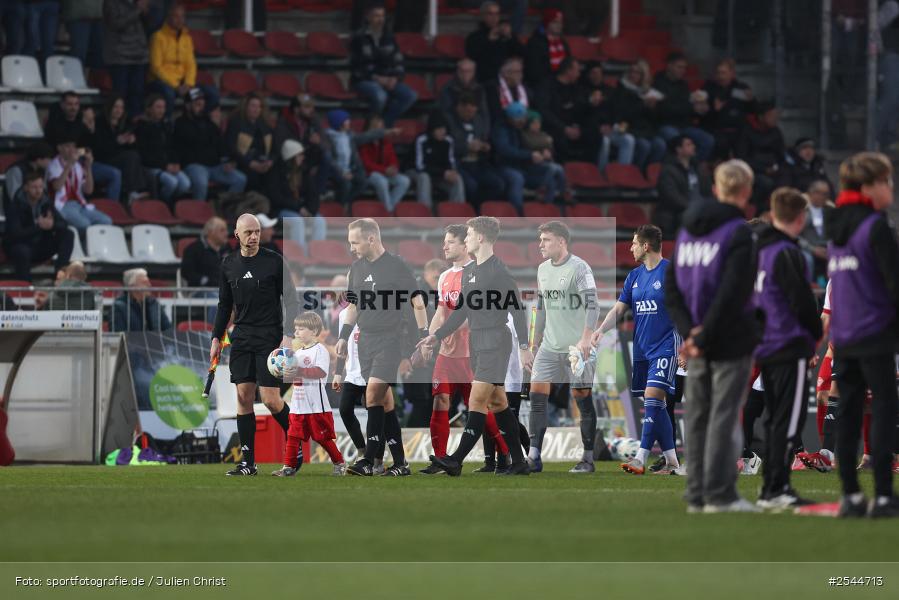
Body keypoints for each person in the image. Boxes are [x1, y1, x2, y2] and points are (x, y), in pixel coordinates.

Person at [665, 159, 762, 513]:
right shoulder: (740, 233)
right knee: (723, 416)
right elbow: (733, 291)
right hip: (729, 338)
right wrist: (703, 335)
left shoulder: (688, 231)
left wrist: (689, 333)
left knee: (698, 416)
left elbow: (672, 287)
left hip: (695, 340)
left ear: (716, 188)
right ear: (746, 191)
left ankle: (696, 495)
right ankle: (721, 495)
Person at [418, 216, 532, 476]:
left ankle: (455, 459)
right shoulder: (470, 272)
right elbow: (461, 311)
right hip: (476, 342)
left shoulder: (499, 271)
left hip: (495, 341)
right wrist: (436, 336)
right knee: (498, 403)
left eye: (468, 235)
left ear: (480, 238)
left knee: (478, 399)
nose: (466, 239)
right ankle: (519, 462)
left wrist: (524, 346)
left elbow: (517, 309)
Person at [826, 152, 899, 517]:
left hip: (846, 336)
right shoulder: (875, 226)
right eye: (886, 181)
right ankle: (884, 495)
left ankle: (850, 496)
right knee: (884, 408)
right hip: (874, 332)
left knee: (850, 412)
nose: (891, 187)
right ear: (870, 187)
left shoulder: (837, 231)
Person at [211, 213, 301, 476]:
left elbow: (292, 301)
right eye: (248, 232)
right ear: (236, 234)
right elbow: (224, 305)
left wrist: (287, 335)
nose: (254, 236)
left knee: (272, 400)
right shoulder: (228, 264)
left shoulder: (274, 261)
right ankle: (247, 463)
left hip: (270, 338)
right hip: (241, 337)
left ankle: (295, 447)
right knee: (243, 397)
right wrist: (216, 338)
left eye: (257, 231)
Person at [337, 218, 429, 477]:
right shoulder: (354, 269)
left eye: (354, 242)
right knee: (384, 403)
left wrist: (423, 335)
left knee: (373, 394)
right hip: (365, 339)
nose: (351, 247)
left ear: (371, 239)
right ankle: (401, 463)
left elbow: (417, 301)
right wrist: (344, 336)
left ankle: (368, 460)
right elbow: (352, 306)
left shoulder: (397, 266)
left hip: (391, 338)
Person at [752, 187, 823, 509]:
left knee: (772, 418)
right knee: (787, 420)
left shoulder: (760, 251)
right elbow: (803, 300)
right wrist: (814, 334)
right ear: (800, 216)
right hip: (789, 342)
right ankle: (777, 487)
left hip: (765, 341)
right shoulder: (786, 251)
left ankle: (769, 486)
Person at [592, 225, 682, 475]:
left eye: (633, 243)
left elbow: (688, 310)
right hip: (642, 349)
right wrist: (602, 330)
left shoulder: (672, 273)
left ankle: (640, 458)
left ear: (646, 246)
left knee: (653, 397)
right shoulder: (634, 276)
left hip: (666, 345)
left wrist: (685, 345)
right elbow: (620, 309)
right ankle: (673, 463)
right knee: (656, 404)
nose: (630, 247)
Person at [525, 221, 600, 474]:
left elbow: (593, 305)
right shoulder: (542, 269)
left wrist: (586, 338)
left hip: (577, 349)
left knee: (582, 399)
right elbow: (541, 307)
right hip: (548, 346)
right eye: (540, 239)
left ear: (561, 242)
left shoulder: (580, 268)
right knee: (537, 397)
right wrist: (534, 343)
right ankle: (533, 456)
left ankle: (588, 459)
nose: (541, 245)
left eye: (546, 240)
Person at [272, 311, 346, 477]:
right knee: (292, 436)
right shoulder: (296, 354)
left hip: (315, 405)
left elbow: (319, 372)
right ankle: (288, 467)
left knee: (322, 438)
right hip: (298, 404)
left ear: (313, 331)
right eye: (296, 329)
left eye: (301, 329)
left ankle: (339, 462)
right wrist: (282, 372)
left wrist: (296, 370)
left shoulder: (320, 350)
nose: (297, 332)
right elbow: (294, 377)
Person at [45, 92, 122, 203]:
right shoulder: (55, 122)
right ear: (62, 105)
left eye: (76, 104)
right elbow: (63, 144)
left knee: (115, 174)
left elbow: (90, 148)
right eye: (70, 104)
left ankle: (112, 207)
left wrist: (92, 130)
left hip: (81, 161)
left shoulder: (82, 121)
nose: (73, 108)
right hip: (62, 163)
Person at [349, 2, 417, 127]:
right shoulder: (359, 38)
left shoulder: (389, 37)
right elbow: (357, 67)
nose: (380, 20)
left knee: (410, 96)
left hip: (388, 78)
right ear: (368, 17)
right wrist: (378, 79)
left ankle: (385, 124)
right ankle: (371, 125)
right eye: (376, 16)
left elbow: (398, 61)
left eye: (382, 16)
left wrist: (396, 78)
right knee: (380, 96)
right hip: (364, 80)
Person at [492, 102, 566, 211]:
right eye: (519, 119)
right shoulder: (501, 130)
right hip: (504, 166)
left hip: (523, 166)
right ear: (510, 118)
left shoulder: (520, 129)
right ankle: (518, 213)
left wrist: (543, 152)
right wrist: (529, 154)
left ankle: (547, 211)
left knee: (550, 178)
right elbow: (505, 150)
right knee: (517, 178)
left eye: (523, 119)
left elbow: (532, 144)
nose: (522, 122)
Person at [175, 88, 246, 200]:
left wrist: (228, 161)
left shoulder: (208, 122)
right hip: (194, 165)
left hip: (214, 167)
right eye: (197, 104)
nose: (201, 108)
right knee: (201, 183)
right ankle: (198, 214)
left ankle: (224, 207)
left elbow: (220, 144)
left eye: (202, 105)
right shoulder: (180, 124)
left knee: (240, 179)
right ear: (188, 106)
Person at [2, 170, 74, 281]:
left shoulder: (46, 203)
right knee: (22, 251)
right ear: (26, 188)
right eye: (34, 187)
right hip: (21, 247)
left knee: (68, 234)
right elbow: (15, 235)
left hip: (41, 246)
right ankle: (25, 286)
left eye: (40, 187)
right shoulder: (15, 206)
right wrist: (38, 227)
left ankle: (61, 276)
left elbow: (63, 223)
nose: (38, 190)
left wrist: (52, 225)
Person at [148, 3, 217, 116]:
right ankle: (167, 126)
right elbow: (156, 67)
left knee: (212, 94)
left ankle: (194, 122)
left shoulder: (187, 38)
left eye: (182, 16)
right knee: (168, 94)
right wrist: (176, 86)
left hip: (184, 87)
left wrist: (189, 84)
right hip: (162, 84)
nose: (180, 20)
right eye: (176, 16)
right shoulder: (158, 37)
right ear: (168, 17)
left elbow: (191, 64)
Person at [85, 94, 152, 203]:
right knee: (131, 157)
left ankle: (146, 205)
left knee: (144, 170)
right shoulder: (99, 122)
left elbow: (135, 148)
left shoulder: (125, 123)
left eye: (121, 107)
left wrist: (131, 142)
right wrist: (117, 142)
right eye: (116, 107)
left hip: (119, 160)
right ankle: (131, 193)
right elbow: (98, 149)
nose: (119, 110)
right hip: (103, 159)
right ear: (109, 107)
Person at [446, 92, 505, 208]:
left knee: (498, 184)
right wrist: (466, 147)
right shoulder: (449, 121)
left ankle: (479, 209)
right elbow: (446, 146)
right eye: (467, 111)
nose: (470, 115)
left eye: (473, 111)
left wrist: (485, 146)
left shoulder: (478, 121)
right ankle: (471, 211)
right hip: (459, 163)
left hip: (478, 163)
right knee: (471, 186)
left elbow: (484, 138)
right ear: (459, 107)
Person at [536, 57, 599, 163]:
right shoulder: (547, 85)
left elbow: (580, 107)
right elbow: (544, 111)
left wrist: (591, 102)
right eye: (577, 71)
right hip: (554, 127)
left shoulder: (576, 88)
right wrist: (564, 128)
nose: (579, 74)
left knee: (594, 134)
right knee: (559, 139)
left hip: (572, 126)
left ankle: (588, 170)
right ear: (568, 71)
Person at [653, 52, 714, 162]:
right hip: (664, 124)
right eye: (679, 67)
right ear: (669, 65)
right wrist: (690, 108)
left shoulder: (683, 85)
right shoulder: (657, 82)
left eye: (684, 68)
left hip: (684, 125)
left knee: (708, 140)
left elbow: (687, 106)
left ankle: (692, 167)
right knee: (679, 140)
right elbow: (665, 109)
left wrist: (699, 109)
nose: (682, 71)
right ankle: (680, 168)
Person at [268, 140, 326, 254]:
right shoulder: (275, 172)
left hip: (303, 209)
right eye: (299, 155)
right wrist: (299, 208)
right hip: (282, 210)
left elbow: (313, 194)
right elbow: (276, 198)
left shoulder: (303, 172)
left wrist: (311, 212)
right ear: (291, 157)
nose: (302, 157)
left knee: (320, 221)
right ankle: (300, 256)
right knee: (297, 221)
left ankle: (317, 255)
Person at [47, 133, 113, 232]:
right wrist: (69, 165)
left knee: (106, 221)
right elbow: (56, 186)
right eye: (67, 146)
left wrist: (88, 166)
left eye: (73, 146)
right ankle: (83, 246)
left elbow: (88, 191)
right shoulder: (53, 165)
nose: (72, 149)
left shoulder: (78, 165)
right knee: (85, 224)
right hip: (62, 205)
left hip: (79, 203)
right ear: (59, 148)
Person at [324, 109, 387, 208]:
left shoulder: (349, 135)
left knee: (362, 181)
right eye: (346, 120)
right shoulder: (328, 138)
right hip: (335, 171)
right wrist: (342, 173)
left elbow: (366, 136)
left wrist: (384, 132)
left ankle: (347, 202)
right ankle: (339, 206)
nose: (349, 122)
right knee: (346, 184)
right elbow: (330, 160)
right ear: (339, 123)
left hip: (350, 169)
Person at [135, 94, 191, 202]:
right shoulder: (142, 126)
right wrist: (164, 166)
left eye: (163, 107)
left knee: (185, 184)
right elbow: (144, 154)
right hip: (151, 167)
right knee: (172, 182)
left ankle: (172, 203)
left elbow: (172, 147)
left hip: (167, 165)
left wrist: (175, 163)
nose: (162, 110)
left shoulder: (166, 125)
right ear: (149, 108)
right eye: (158, 107)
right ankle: (163, 204)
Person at [580, 62, 636, 170]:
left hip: (609, 127)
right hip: (591, 129)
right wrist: (591, 103)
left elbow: (617, 111)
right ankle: (602, 172)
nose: (596, 75)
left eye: (599, 72)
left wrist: (611, 125)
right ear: (588, 74)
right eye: (593, 72)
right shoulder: (581, 90)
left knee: (628, 139)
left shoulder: (610, 90)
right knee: (604, 141)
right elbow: (581, 114)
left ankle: (622, 173)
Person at [612, 60, 668, 169]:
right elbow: (622, 114)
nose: (633, 75)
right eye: (631, 71)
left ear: (643, 75)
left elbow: (655, 119)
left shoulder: (648, 92)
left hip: (645, 129)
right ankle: (636, 172)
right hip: (628, 127)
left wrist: (652, 108)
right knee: (644, 146)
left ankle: (648, 172)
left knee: (660, 145)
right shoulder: (621, 89)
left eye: (637, 72)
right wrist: (643, 105)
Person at [103, 0, 152, 119]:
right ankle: (118, 126)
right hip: (120, 57)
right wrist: (138, 10)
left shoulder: (138, 2)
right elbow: (116, 24)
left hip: (139, 56)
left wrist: (145, 12)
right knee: (120, 96)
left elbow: (150, 26)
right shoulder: (111, 3)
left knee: (137, 94)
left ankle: (135, 129)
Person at [654, 135, 712, 233]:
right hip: (680, 212)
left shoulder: (698, 168)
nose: (693, 147)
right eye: (689, 144)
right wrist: (692, 207)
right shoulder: (668, 170)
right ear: (679, 149)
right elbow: (671, 196)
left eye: (693, 144)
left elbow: (708, 191)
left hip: (700, 210)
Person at [736, 101, 785, 213]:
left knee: (786, 180)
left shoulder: (776, 132)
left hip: (774, 168)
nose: (774, 119)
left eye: (775, 116)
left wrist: (777, 167)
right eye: (771, 116)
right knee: (766, 183)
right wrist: (764, 169)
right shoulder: (747, 131)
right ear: (761, 117)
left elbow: (781, 154)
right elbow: (742, 157)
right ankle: (757, 214)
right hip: (754, 171)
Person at [702, 58, 756, 159]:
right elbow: (703, 115)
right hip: (717, 129)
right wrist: (715, 110)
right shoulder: (708, 88)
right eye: (718, 73)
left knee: (746, 141)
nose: (721, 76)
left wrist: (751, 100)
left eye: (724, 73)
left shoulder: (741, 88)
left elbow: (753, 110)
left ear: (732, 73)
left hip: (739, 130)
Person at [358, 115, 410, 212]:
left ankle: (388, 209)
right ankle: (389, 210)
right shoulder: (363, 142)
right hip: (369, 173)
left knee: (404, 180)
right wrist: (384, 170)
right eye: (375, 127)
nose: (379, 131)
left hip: (385, 172)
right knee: (382, 181)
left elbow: (392, 158)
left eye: (380, 127)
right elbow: (366, 164)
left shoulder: (385, 141)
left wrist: (393, 167)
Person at [413, 111, 465, 209]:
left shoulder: (448, 141)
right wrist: (443, 173)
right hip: (416, 172)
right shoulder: (421, 140)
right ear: (432, 129)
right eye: (439, 129)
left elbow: (451, 161)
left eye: (444, 129)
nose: (443, 132)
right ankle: (425, 212)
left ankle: (457, 212)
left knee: (457, 179)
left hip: (439, 175)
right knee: (424, 177)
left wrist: (452, 172)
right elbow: (420, 166)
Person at [464, 2, 524, 84]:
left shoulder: (506, 35)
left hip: (507, 80)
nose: (494, 17)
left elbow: (522, 53)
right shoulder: (474, 38)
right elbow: (474, 59)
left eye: (497, 14)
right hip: (485, 81)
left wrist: (510, 37)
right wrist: (490, 40)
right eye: (490, 14)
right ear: (483, 16)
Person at [226, 93, 274, 194]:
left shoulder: (264, 125)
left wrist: (270, 162)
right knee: (253, 177)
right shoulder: (236, 122)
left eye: (259, 106)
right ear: (246, 107)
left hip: (261, 161)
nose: (256, 109)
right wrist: (251, 164)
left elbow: (274, 147)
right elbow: (231, 147)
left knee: (274, 175)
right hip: (242, 162)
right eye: (253, 106)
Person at [524, 9, 570, 89]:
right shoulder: (535, 43)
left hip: (563, 84)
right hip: (543, 87)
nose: (559, 25)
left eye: (560, 22)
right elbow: (534, 72)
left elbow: (569, 62)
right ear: (547, 23)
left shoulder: (562, 42)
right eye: (555, 22)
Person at [799, 179, 834, 281]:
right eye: (818, 193)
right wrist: (812, 249)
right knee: (807, 259)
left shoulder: (831, 211)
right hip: (808, 247)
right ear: (810, 193)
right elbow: (797, 235)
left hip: (827, 246)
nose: (822, 197)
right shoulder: (802, 212)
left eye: (825, 194)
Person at [485, 57, 532, 124]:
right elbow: (494, 112)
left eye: (521, 71)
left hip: (523, 124)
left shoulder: (525, 88)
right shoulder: (492, 87)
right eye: (517, 72)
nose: (520, 75)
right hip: (501, 124)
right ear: (506, 73)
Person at [62, 0, 104, 69]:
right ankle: (75, 78)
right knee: (78, 56)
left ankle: (94, 79)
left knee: (100, 56)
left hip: (100, 13)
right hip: (78, 15)